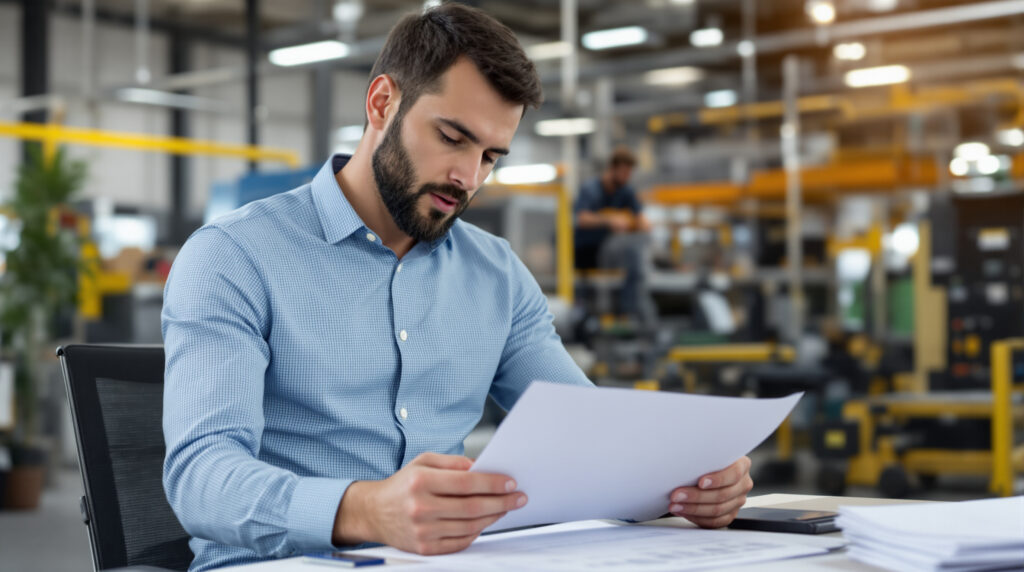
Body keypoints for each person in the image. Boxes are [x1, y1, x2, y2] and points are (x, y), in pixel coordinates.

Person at [162, 4, 752, 571]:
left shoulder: (496, 275)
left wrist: (690, 479)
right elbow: (201, 479)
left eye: (491, 156)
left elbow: (589, 433)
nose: (468, 178)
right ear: (382, 103)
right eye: (452, 137)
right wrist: (368, 509)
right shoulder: (234, 257)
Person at [574, 147, 656, 326]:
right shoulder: (591, 189)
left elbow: (642, 218)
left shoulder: (625, 191)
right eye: (624, 172)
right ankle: (631, 310)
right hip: (588, 250)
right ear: (612, 169)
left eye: (629, 173)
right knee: (634, 253)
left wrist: (640, 223)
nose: (627, 177)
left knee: (640, 246)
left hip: (611, 251)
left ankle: (631, 309)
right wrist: (609, 220)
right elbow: (582, 218)